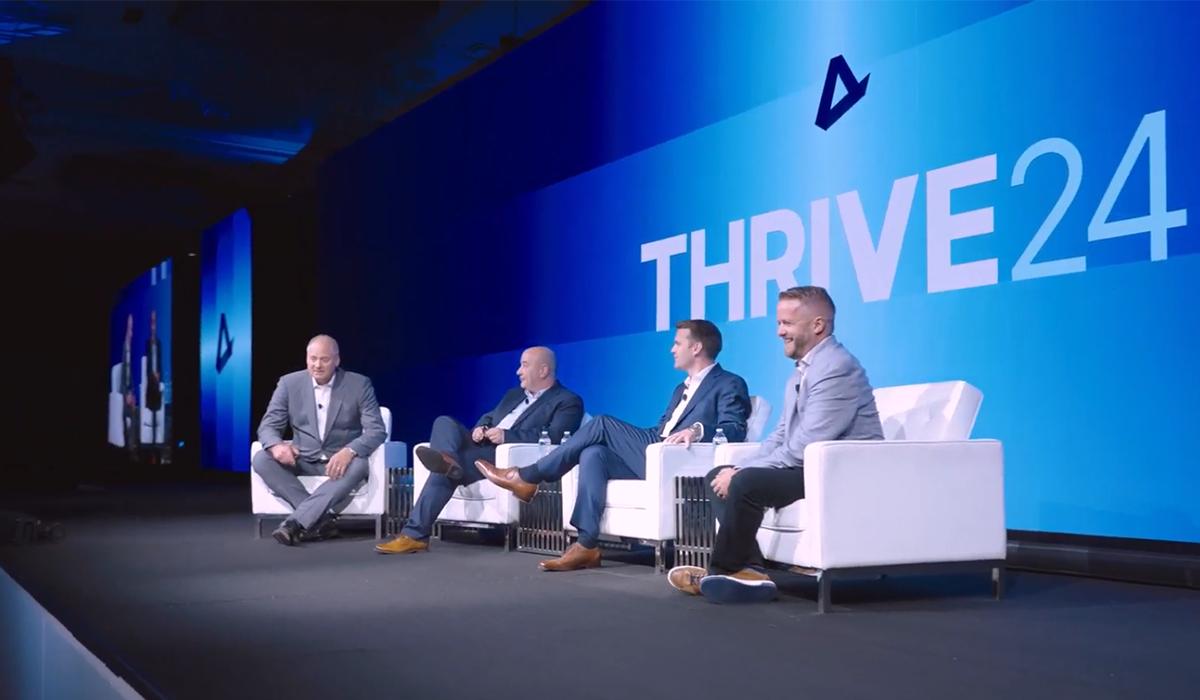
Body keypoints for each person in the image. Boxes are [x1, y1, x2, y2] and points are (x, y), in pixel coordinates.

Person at [476, 320, 750, 572]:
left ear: (697, 347)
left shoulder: (729, 383)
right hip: (657, 451)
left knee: (603, 423)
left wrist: (698, 429)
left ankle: (527, 476)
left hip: (676, 461)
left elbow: (735, 428)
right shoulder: (681, 389)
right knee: (593, 453)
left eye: (677, 343)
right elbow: (661, 429)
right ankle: (586, 545)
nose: (672, 349)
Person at [667, 287, 883, 603]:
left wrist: (742, 472)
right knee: (719, 475)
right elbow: (781, 436)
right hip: (811, 466)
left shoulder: (837, 367)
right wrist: (736, 469)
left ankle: (722, 570)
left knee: (745, 481)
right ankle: (750, 572)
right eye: (779, 323)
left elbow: (804, 447)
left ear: (818, 325)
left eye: (787, 323)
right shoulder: (802, 371)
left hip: (839, 472)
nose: (779, 331)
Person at [375, 346, 583, 555]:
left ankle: (414, 535)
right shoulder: (513, 395)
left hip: (502, 456)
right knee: (444, 422)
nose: (518, 371)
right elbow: (490, 416)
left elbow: (557, 436)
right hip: (480, 444)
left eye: (524, 365)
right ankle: (448, 459)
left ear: (543, 370)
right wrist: (480, 429)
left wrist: (506, 436)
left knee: (447, 469)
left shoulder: (567, 401)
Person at [252, 335, 388, 546]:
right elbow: (269, 425)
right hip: (303, 458)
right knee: (262, 458)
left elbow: (377, 430)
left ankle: (295, 523)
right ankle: (320, 521)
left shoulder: (359, 384)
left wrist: (349, 450)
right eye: (312, 358)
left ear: (337, 360)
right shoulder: (289, 383)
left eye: (324, 359)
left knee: (359, 465)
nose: (317, 365)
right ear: (306, 358)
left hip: (341, 463)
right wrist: (277, 446)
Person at [120, 313, 138, 456]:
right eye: (130, 332)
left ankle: (132, 444)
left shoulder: (129, 366)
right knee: (129, 414)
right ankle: (129, 445)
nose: (132, 335)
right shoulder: (125, 353)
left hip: (127, 393)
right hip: (123, 395)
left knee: (133, 413)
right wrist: (129, 325)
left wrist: (132, 395)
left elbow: (129, 385)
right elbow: (127, 341)